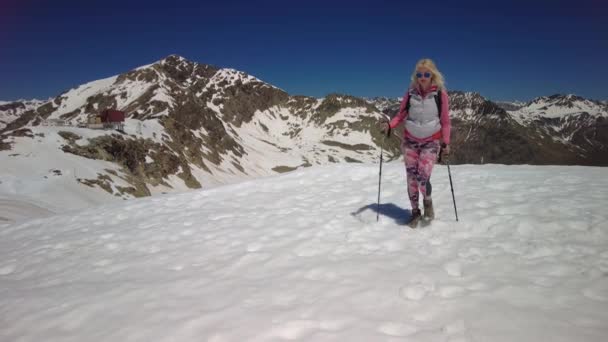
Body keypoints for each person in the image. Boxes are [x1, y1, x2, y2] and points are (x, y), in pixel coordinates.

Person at [381, 58, 451, 228]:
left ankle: (428, 202)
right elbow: (401, 114)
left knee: (422, 177)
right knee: (411, 179)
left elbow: (446, 121)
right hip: (410, 141)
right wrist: (390, 125)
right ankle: (415, 213)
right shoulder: (410, 93)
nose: (423, 77)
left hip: (431, 142)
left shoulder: (440, 95)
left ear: (433, 75)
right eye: (419, 74)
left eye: (427, 73)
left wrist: (446, 143)